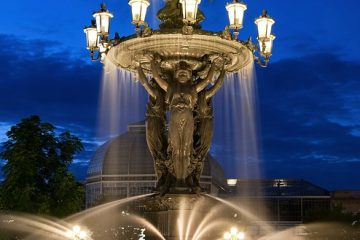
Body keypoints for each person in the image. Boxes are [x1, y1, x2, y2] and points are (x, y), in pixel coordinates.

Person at [150, 57, 221, 186]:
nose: (183, 73)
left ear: (190, 75)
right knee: (175, 146)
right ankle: (176, 178)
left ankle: (184, 178)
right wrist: (151, 63)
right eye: (180, 72)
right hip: (174, 119)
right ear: (176, 75)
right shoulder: (171, 88)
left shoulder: (193, 89)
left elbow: (209, 81)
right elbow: (157, 78)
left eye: (186, 72)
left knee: (187, 147)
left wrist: (218, 68)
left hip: (188, 119)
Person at [135, 63, 168, 190]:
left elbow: (144, 83)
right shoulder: (162, 97)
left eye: (153, 83)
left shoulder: (156, 95)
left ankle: (162, 179)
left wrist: (138, 67)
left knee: (157, 152)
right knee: (159, 153)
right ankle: (163, 179)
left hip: (154, 125)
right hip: (157, 124)